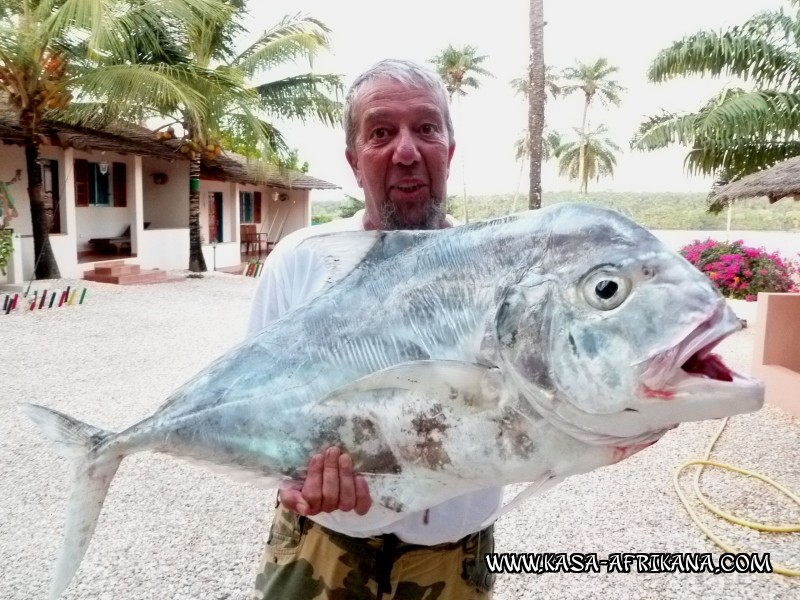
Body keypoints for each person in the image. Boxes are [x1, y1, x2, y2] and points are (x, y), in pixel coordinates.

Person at [247, 58, 501, 600]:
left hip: (455, 552)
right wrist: (289, 476)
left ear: (449, 152)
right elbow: (257, 402)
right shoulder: (301, 260)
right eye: (381, 132)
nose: (406, 151)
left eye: (427, 128)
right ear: (353, 160)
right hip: (323, 541)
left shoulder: (496, 270)